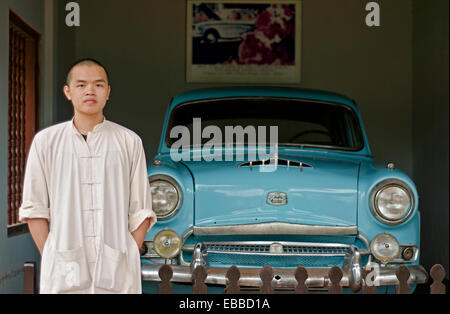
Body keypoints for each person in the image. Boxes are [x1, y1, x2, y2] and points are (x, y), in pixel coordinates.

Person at [18, 58, 157, 294]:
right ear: (67, 91)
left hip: (117, 267)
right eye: (81, 85)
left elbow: (141, 209)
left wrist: (129, 250)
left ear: (108, 92)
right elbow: (34, 208)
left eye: (98, 85)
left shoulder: (128, 141)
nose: (90, 91)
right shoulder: (47, 142)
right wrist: (52, 254)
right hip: (63, 267)